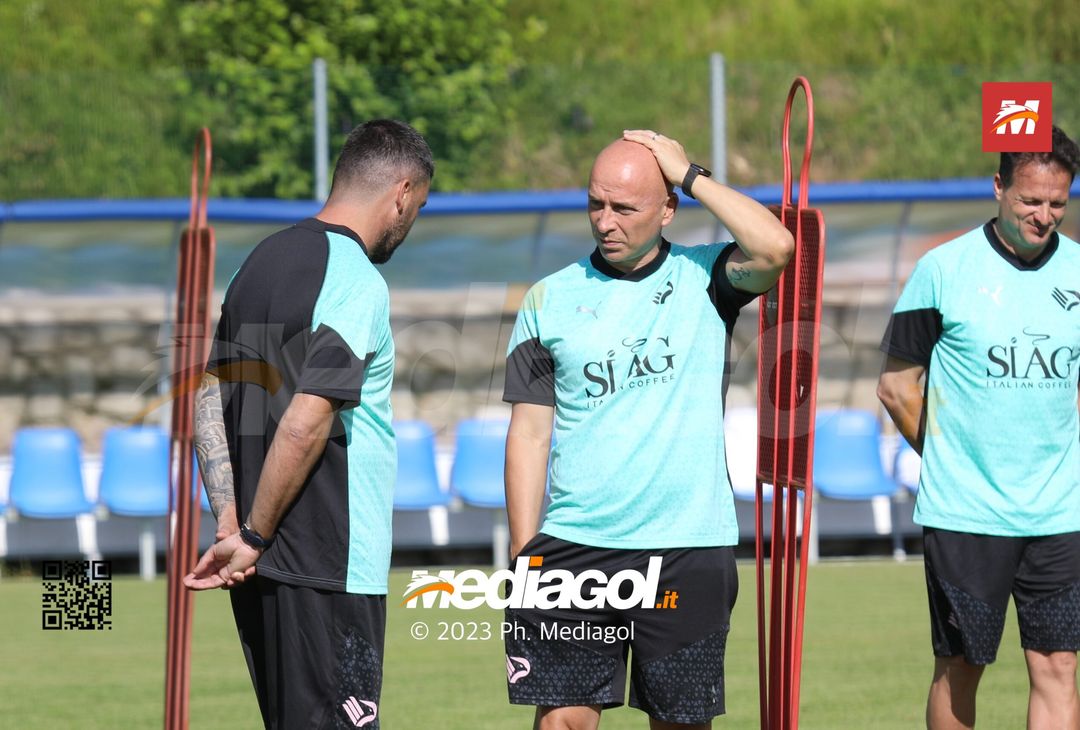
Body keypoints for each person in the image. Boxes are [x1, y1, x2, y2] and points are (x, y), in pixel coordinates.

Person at [501, 129, 794, 729]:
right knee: (562, 722)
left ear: (667, 210)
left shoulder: (708, 278)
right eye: (595, 203)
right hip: (573, 547)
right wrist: (522, 550)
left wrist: (690, 173)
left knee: (680, 723)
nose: (604, 222)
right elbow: (529, 434)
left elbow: (776, 248)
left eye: (625, 208)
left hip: (688, 545)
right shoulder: (547, 298)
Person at [184, 119, 433, 729]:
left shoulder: (260, 262)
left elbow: (208, 397)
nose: (411, 222)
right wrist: (255, 535)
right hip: (328, 560)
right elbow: (305, 422)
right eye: (418, 207)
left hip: (259, 562)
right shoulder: (356, 280)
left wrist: (231, 524)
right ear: (401, 192)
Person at [878, 125, 1080, 730]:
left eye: (1057, 203)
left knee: (1059, 665)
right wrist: (948, 457)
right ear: (997, 187)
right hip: (966, 513)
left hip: (1060, 514)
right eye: (1029, 201)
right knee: (962, 665)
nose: (1043, 216)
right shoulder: (942, 269)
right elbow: (896, 386)